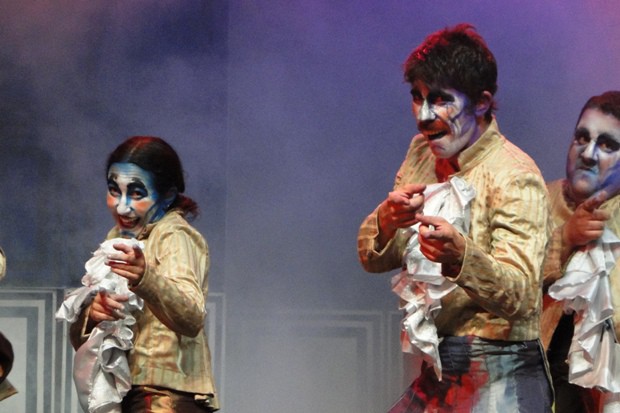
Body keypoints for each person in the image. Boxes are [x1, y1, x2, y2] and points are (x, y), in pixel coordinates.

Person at [357, 24, 552, 412]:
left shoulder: (515, 175)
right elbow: (373, 259)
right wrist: (389, 220)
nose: (424, 115)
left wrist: (462, 257)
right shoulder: (421, 153)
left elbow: (523, 297)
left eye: (440, 99)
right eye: (417, 97)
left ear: (481, 103)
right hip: (441, 367)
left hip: (501, 367)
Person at [69, 136, 219, 412]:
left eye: (137, 194)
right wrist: (93, 314)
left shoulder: (174, 235)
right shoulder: (116, 239)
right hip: (130, 393)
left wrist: (145, 278)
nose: (121, 206)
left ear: (167, 195)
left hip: (165, 397)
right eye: (114, 190)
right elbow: (84, 341)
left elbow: (192, 317)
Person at [541, 91, 620, 412]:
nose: (587, 154)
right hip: (529, 385)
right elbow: (505, 287)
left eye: (607, 145)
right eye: (582, 138)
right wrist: (565, 239)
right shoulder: (539, 199)